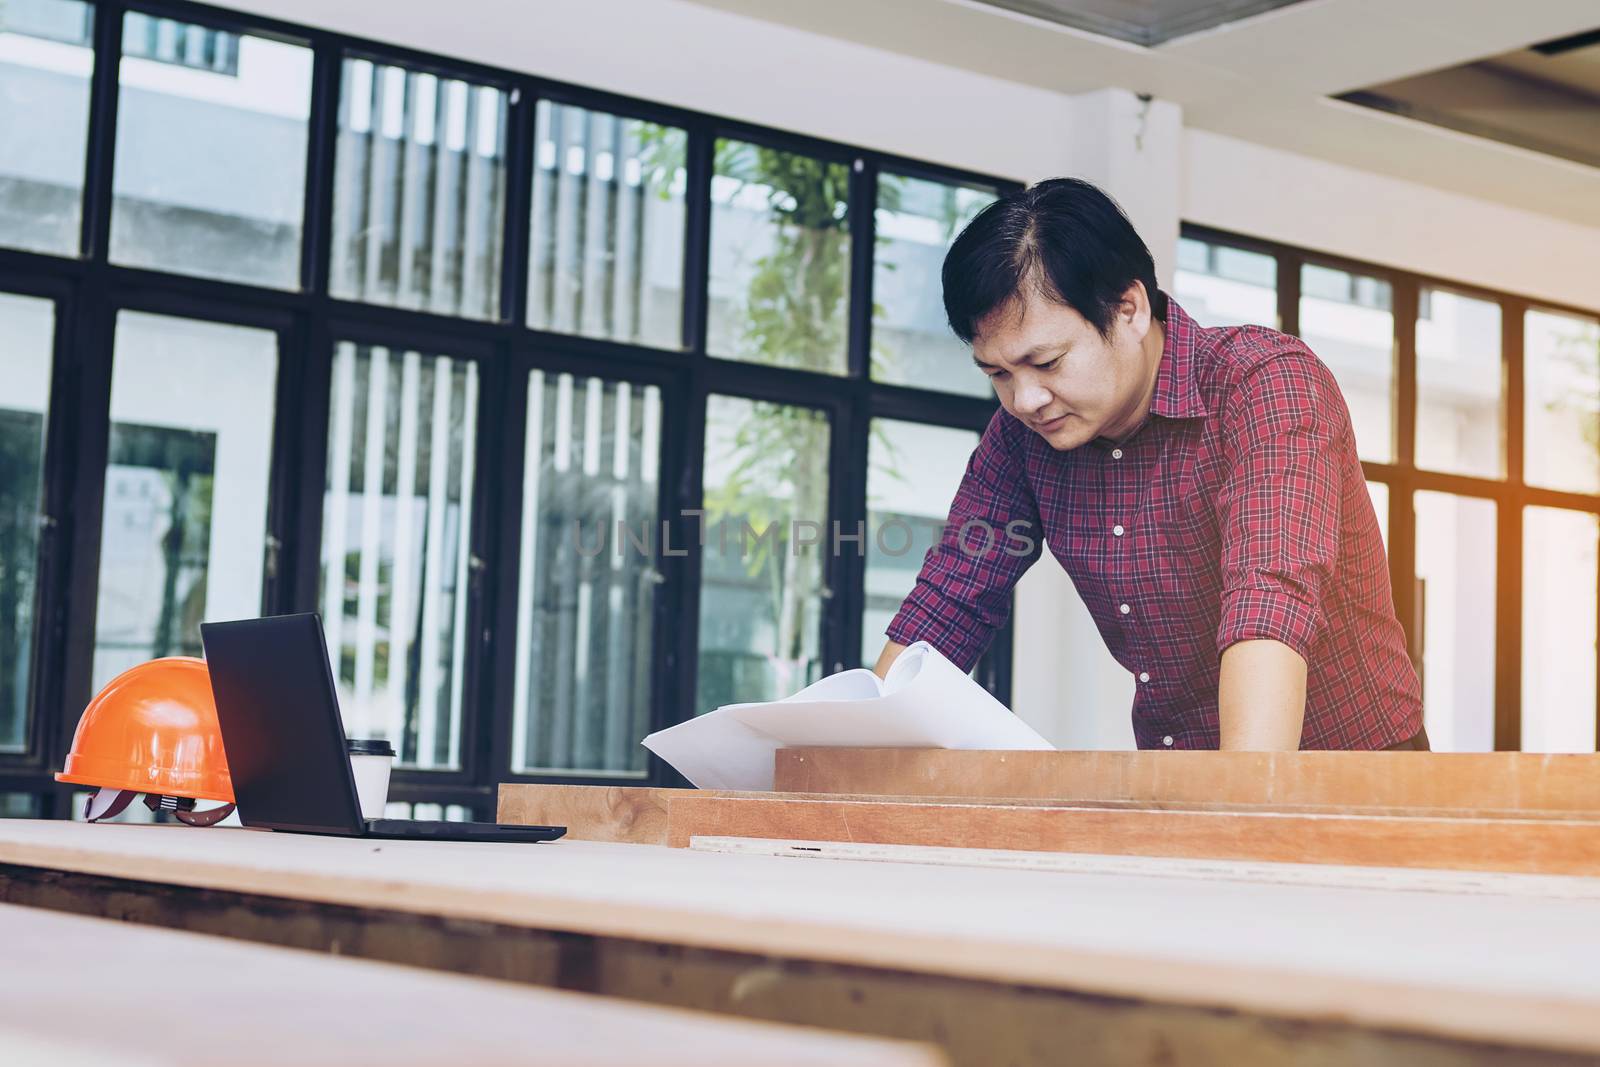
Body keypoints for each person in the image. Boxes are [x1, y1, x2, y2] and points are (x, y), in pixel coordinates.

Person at [873, 178, 1425, 751]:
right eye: (999, 374)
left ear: (1130, 309)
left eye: (1047, 361)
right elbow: (949, 600)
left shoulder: (1262, 384)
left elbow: (1269, 596)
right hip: (1183, 774)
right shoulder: (1023, 437)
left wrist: (1242, 810)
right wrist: (845, 761)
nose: (1026, 400)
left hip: (1355, 772)